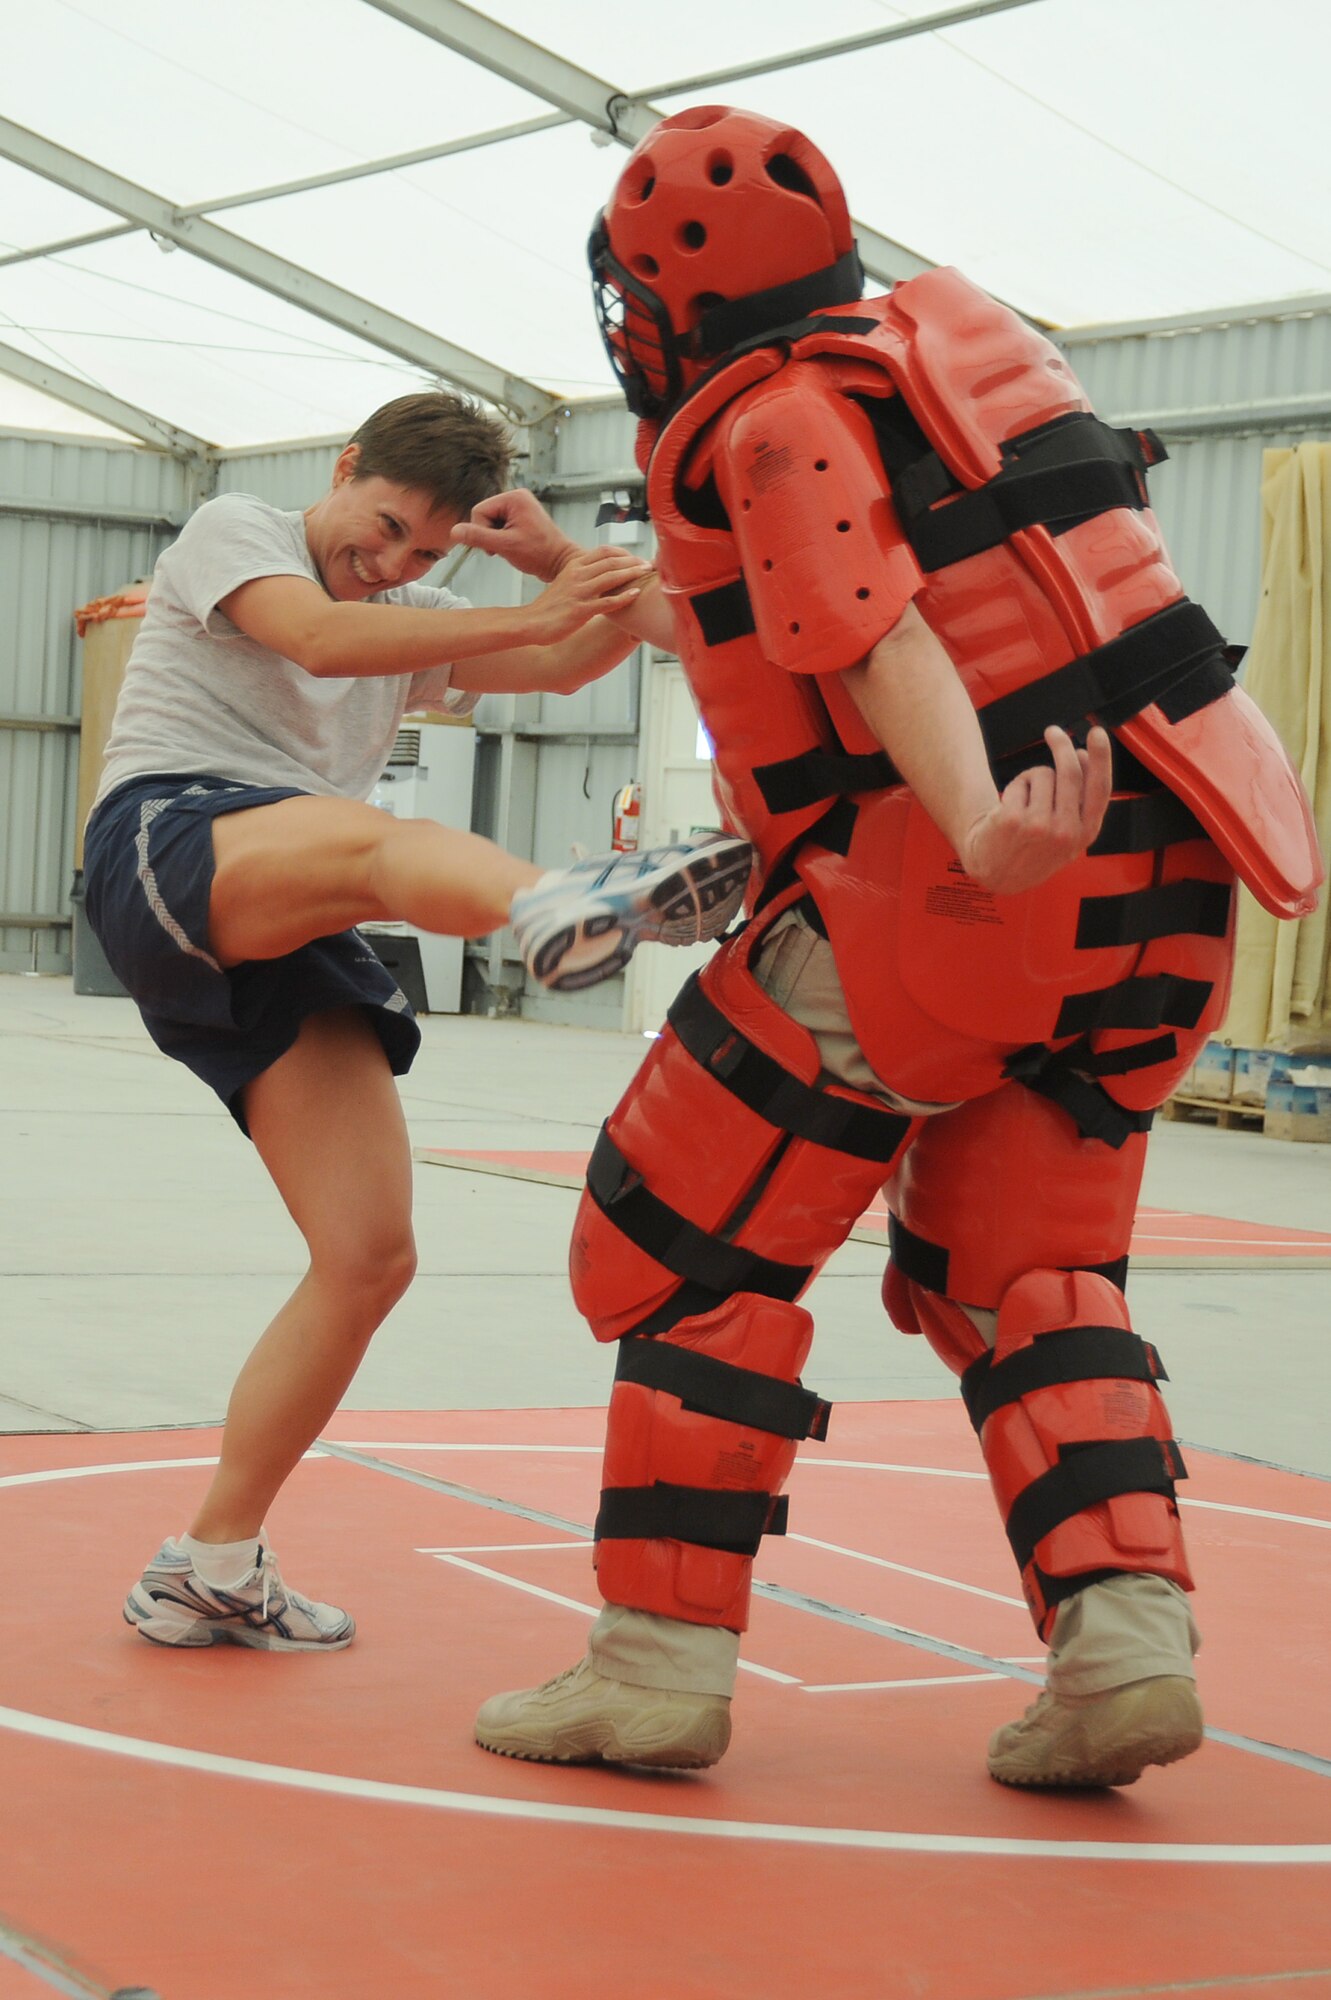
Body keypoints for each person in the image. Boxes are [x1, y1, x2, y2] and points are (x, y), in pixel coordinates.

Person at [473, 108, 1322, 1785]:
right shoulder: (929, 367)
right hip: (1156, 890)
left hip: (969, 885)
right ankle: (1122, 1652)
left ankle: (653, 1669)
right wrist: (572, 569)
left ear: (666, 294)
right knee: (1027, 1280)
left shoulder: (776, 418)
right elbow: (757, 605)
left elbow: (868, 643)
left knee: (680, 1243)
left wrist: (983, 819)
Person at [85, 389, 751, 1652]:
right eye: (383, 527)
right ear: (342, 469)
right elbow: (321, 641)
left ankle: (208, 1562)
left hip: (293, 913)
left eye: (421, 553)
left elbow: (560, 657)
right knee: (386, 843)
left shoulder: (418, 609)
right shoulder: (239, 528)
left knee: (369, 1253)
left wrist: (575, 569)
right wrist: (531, 606)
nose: (391, 565)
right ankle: (562, 898)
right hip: (172, 840)